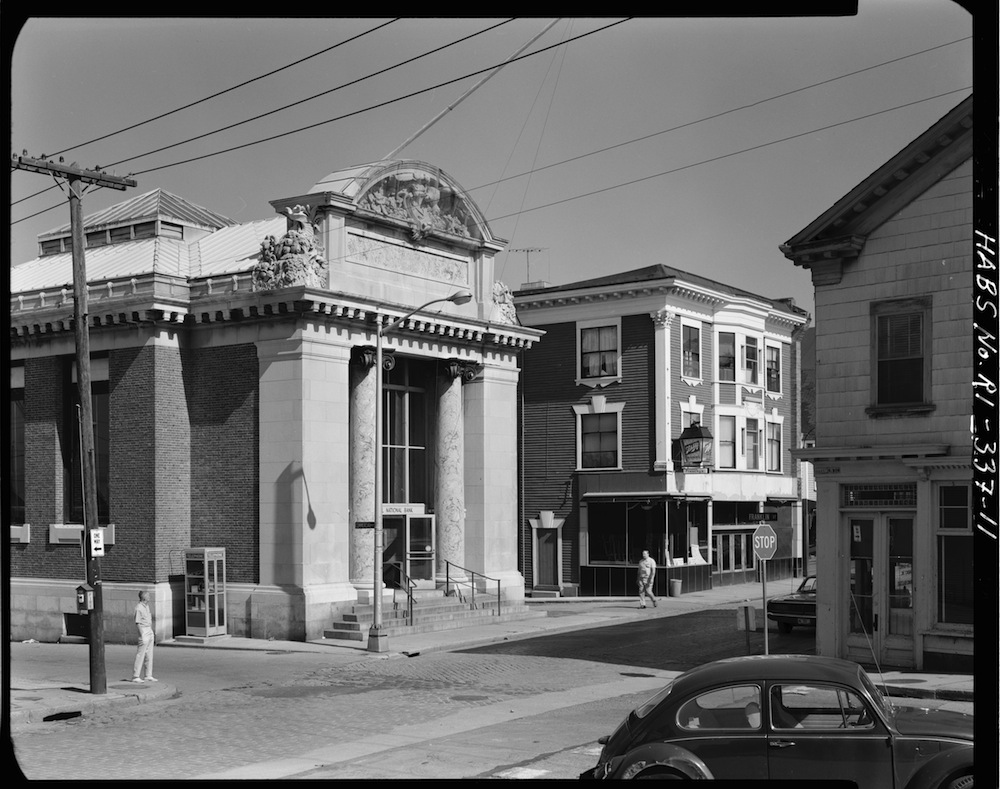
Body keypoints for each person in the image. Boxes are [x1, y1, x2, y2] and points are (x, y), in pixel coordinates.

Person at [132, 591, 156, 682]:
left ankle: (148, 675)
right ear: (144, 598)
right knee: (141, 654)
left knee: (149, 654)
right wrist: (142, 634)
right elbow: (137, 622)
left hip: (149, 629)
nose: (149, 597)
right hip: (143, 630)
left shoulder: (147, 607)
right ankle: (136, 676)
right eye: (148, 596)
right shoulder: (139, 608)